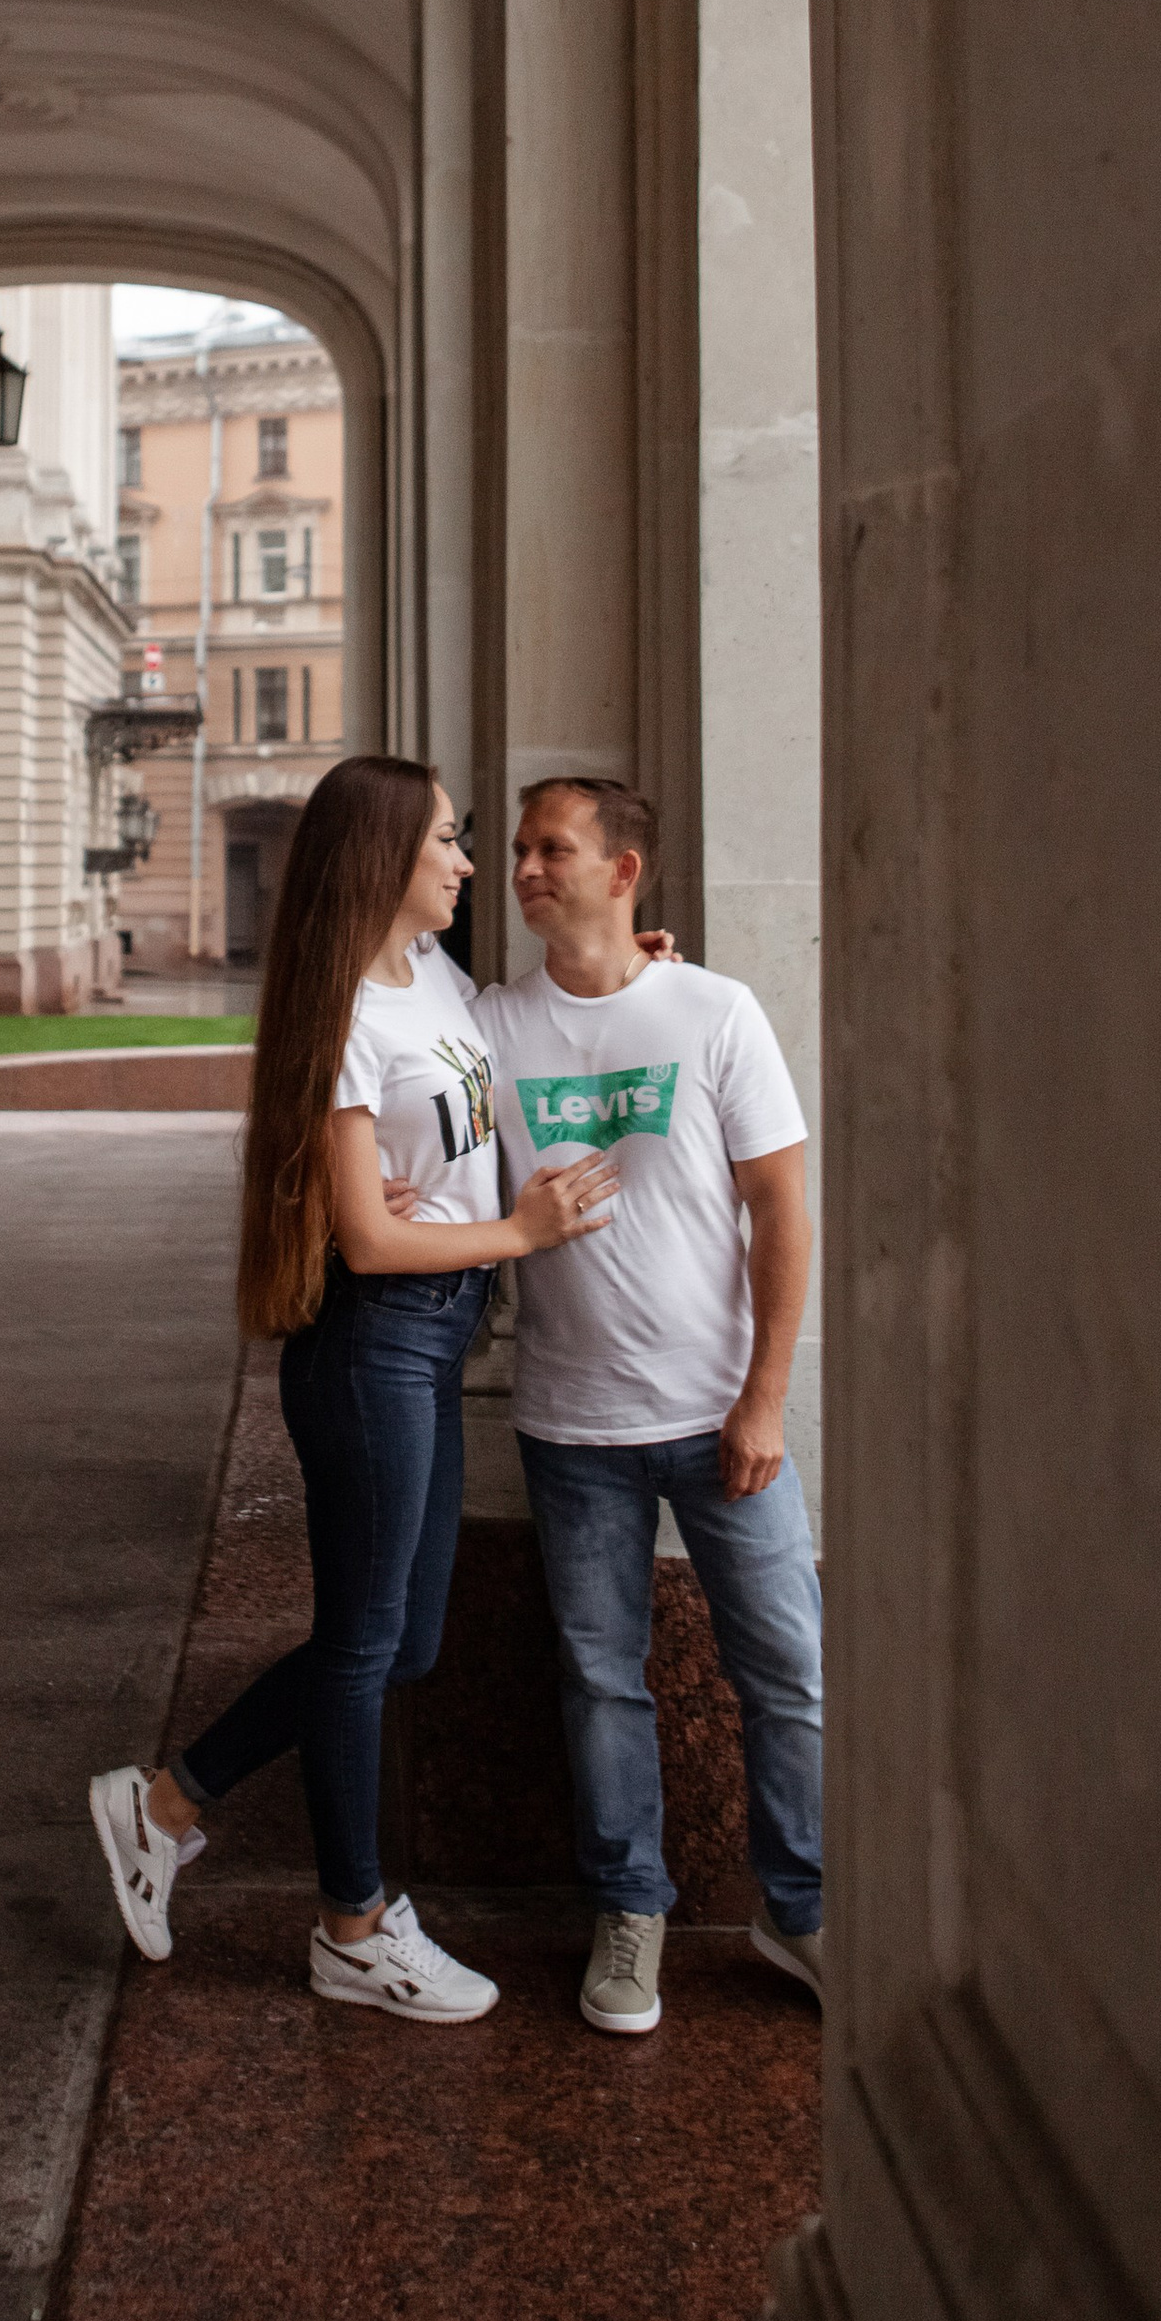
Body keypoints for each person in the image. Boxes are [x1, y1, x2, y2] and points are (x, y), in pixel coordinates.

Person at [88, 754, 620, 2023]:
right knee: (365, 1644)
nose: (469, 862)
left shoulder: (433, 977)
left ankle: (163, 1804)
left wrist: (621, 960)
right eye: (447, 840)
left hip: (430, 1343)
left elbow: (485, 1076)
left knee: (403, 1641)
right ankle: (352, 1927)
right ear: (385, 857)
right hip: (377, 1341)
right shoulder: (343, 1013)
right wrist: (522, 1236)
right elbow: (370, 1243)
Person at [472, 776, 823, 2039]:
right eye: (513, 850)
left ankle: (806, 1912)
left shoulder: (715, 1011)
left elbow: (782, 1212)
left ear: (624, 874)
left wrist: (765, 1398)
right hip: (572, 1426)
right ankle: (631, 1913)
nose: (521, 869)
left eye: (548, 849)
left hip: (723, 1416)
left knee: (786, 1672)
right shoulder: (487, 1024)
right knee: (600, 1681)